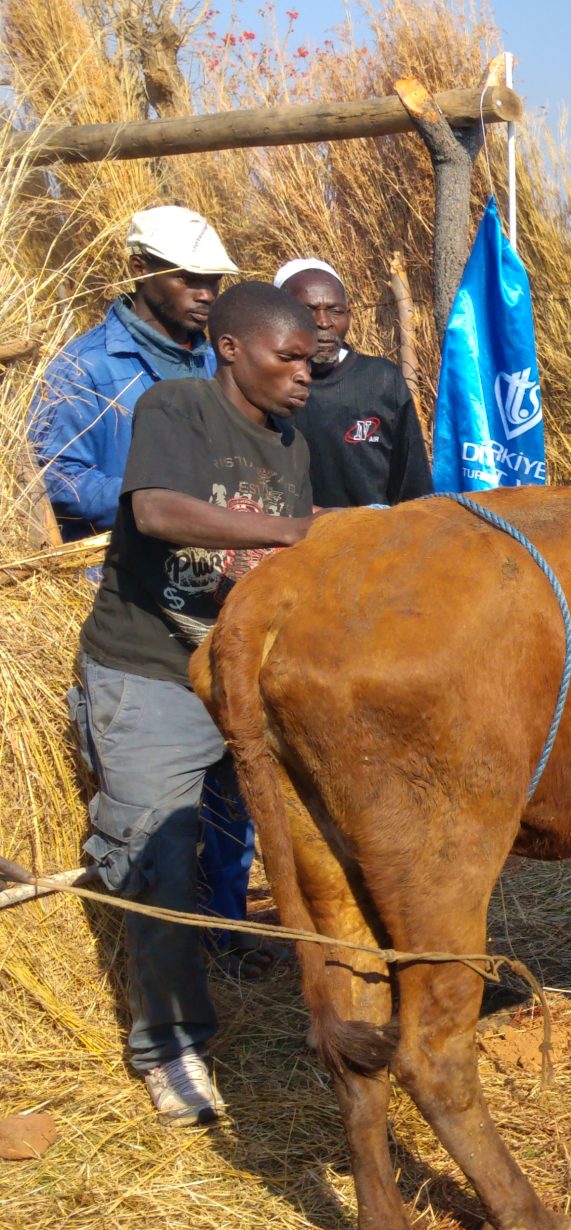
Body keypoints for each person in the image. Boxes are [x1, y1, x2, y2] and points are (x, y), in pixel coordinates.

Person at [66, 282, 319, 1126]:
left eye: (310, 361)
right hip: (150, 670)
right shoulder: (175, 408)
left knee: (312, 834)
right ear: (233, 349)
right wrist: (288, 532)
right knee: (156, 855)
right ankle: (169, 1050)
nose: (303, 375)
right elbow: (156, 510)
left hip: (241, 672)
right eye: (287, 357)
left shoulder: (288, 442)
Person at [32, 206, 237, 540]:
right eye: (187, 278)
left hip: (208, 564)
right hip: (120, 571)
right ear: (140, 269)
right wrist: (156, 502)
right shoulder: (83, 367)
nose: (206, 294)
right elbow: (56, 479)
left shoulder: (218, 363)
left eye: (213, 280)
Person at [276, 259, 430, 508]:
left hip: (371, 539)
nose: (323, 322)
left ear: (349, 315)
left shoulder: (381, 380)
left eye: (335, 311)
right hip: (290, 540)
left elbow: (412, 483)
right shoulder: (266, 388)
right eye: (308, 311)